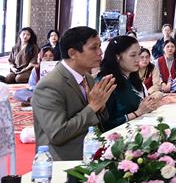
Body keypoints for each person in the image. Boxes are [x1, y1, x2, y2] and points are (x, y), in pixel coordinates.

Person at [32, 26, 117, 161]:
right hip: (63, 161)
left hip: (90, 152)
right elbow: (58, 134)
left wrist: (101, 107)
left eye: (100, 46)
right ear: (72, 53)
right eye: (94, 48)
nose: (100, 52)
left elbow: (98, 120)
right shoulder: (50, 85)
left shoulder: (88, 78)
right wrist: (92, 107)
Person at [97, 35, 162, 131]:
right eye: (132, 55)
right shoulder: (107, 82)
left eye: (138, 54)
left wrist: (149, 105)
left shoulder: (132, 77)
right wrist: (138, 113)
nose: (138, 59)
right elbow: (104, 125)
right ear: (117, 57)